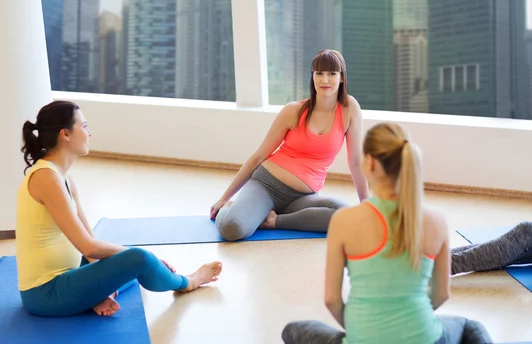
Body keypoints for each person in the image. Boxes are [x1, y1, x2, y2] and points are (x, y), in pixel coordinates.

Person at [281, 123, 493, 344]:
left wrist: (363, 331)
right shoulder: (437, 222)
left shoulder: (344, 221)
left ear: (370, 162)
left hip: (362, 338)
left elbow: (332, 300)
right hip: (424, 337)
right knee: (471, 327)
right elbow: (441, 294)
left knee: (293, 330)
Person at [16, 100, 223, 318]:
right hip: (46, 294)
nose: (90, 132)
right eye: (84, 126)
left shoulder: (62, 177)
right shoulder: (47, 178)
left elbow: (90, 239)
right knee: (139, 258)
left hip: (71, 273)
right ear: (65, 134)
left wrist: (127, 264)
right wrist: (146, 259)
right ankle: (188, 282)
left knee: (129, 258)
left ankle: (102, 294)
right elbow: (88, 248)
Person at [210, 49, 369, 241]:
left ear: (342, 77)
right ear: (312, 76)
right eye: (319, 73)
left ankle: (274, 221)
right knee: (232, 229)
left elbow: (356, 162)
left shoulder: (349, 109)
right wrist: (224, 199)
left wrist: (367, 205)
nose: (325, 80)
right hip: (266, 185)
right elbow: (258, 156)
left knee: (346, 215)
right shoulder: (294, 111)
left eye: (331, 74)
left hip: (302, 197)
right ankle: (232, 209)